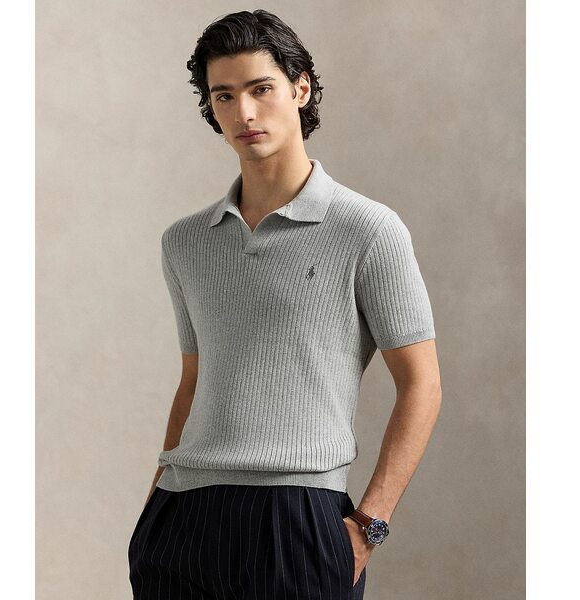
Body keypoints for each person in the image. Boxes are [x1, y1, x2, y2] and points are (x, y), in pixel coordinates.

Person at [128, 9, 442, 599]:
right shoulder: (185, 242)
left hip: (297, 519)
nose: (243, 113)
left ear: (301, 88)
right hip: (180, 516)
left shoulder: (368, 230)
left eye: (260, 89)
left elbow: (422, 384)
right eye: (224, 96)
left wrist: (370, 524)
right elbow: (194, 380)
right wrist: (153, 509)